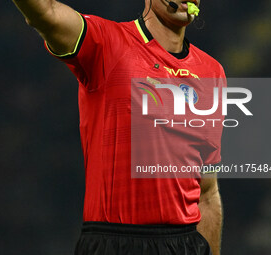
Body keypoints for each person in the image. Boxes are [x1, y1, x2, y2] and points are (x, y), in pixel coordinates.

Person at [12, 0, 225, 254]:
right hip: (114, 243)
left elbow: (207, 193)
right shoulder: (107, 43)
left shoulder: (212, 72)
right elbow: (45, 12)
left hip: (185, 243)